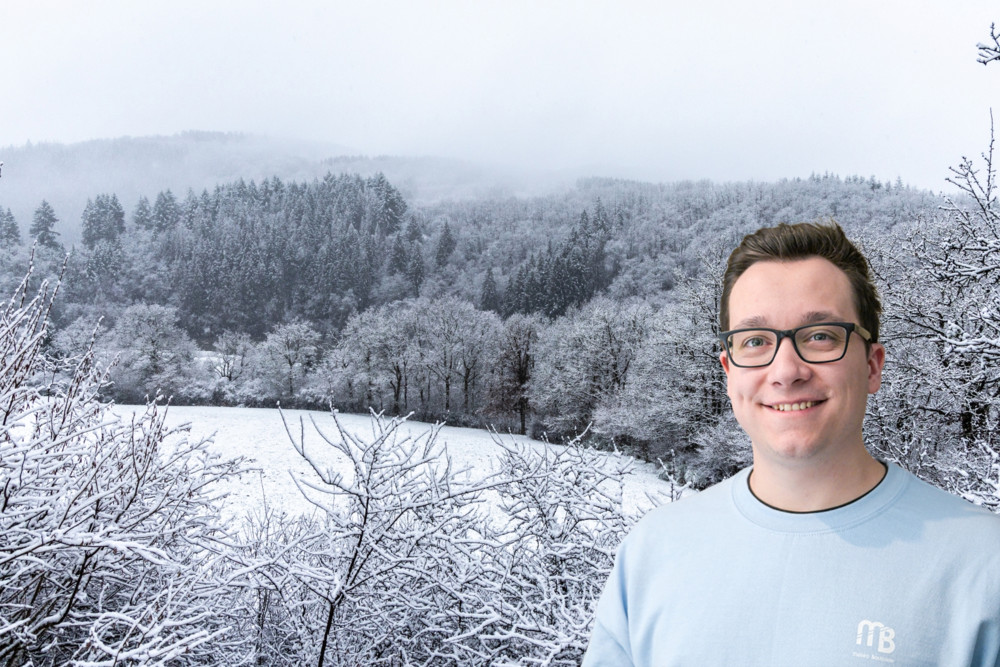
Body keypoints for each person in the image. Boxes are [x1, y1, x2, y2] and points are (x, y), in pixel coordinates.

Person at [582, 222, 1000, 666]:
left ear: (872, 365)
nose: (786, 371)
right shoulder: (651, 553)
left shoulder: (982, 562)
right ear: (729, 372)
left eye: (820, 335)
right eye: (756, 341)